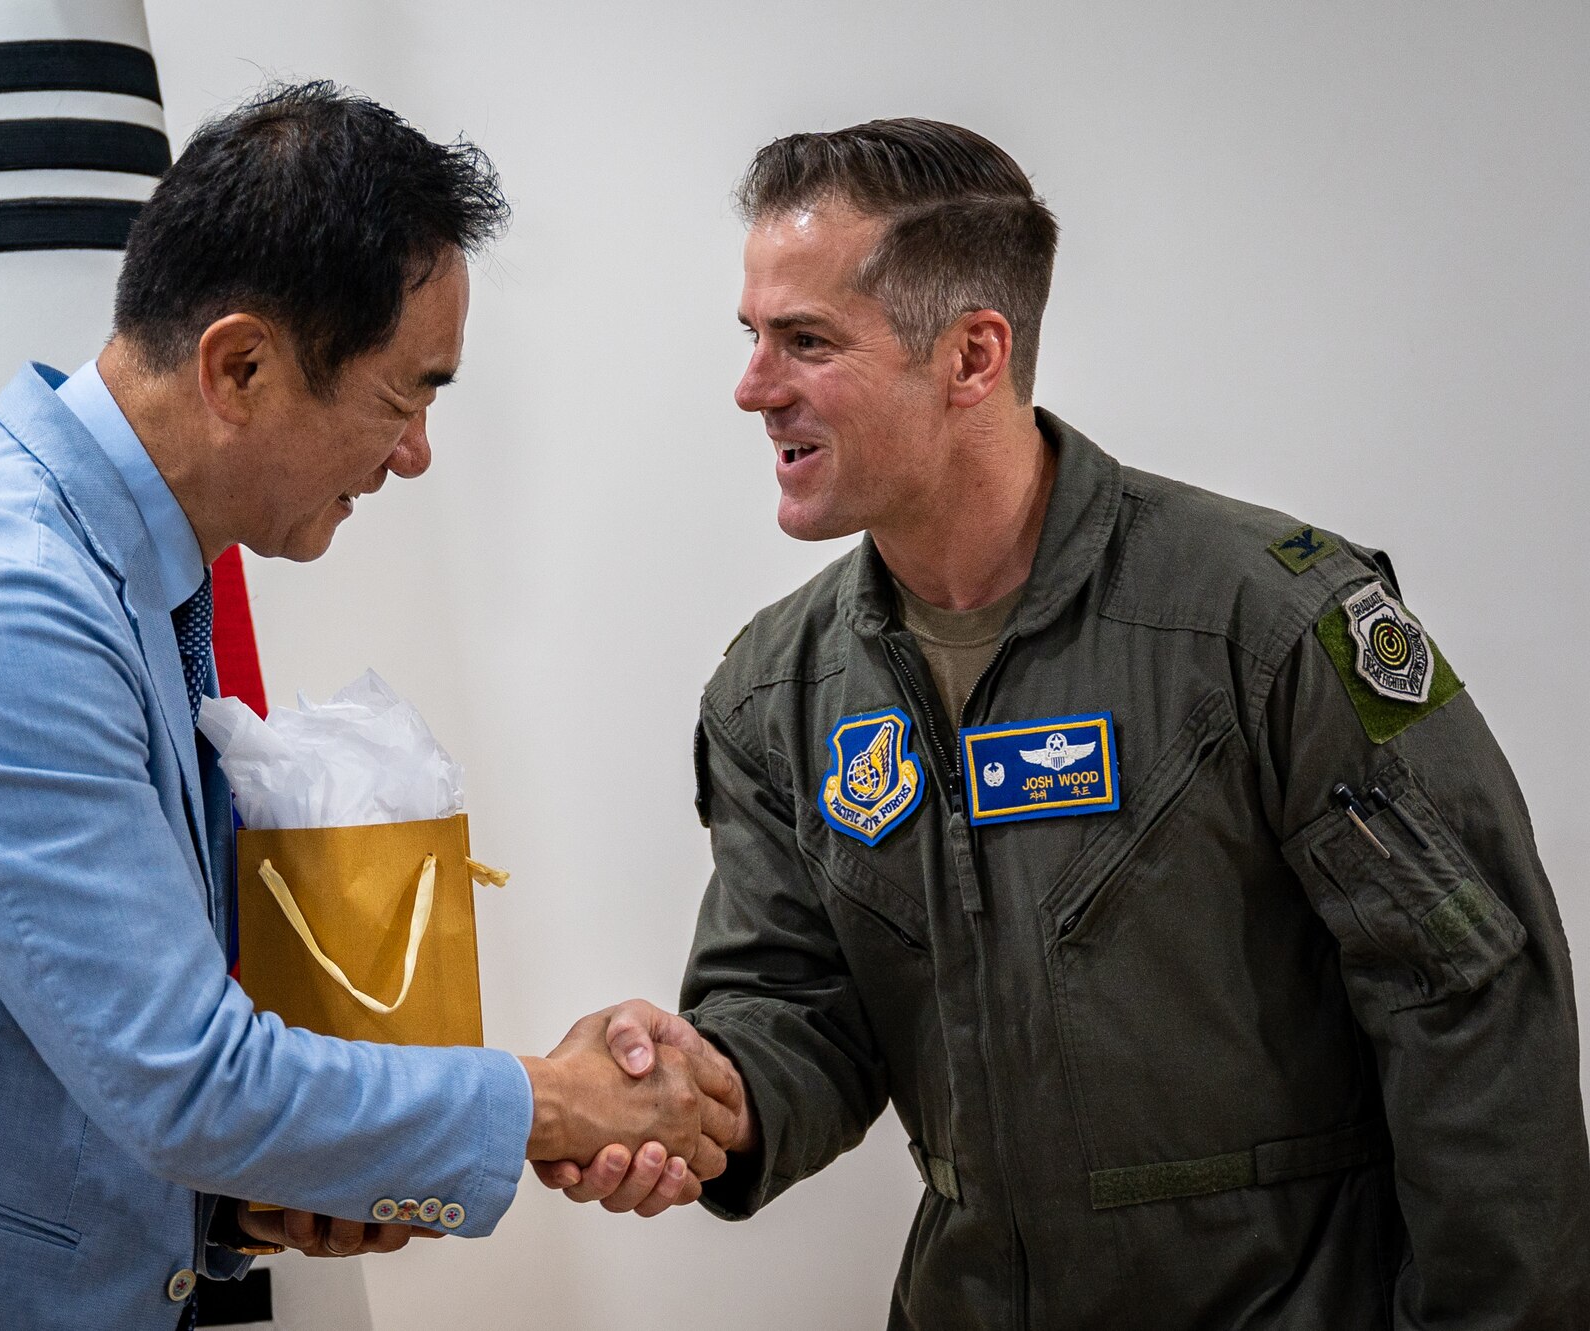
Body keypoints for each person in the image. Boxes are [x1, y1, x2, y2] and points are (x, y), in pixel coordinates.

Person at [0, 83, 742, 1331]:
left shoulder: (120, 576)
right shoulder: (1, 608)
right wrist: (554, 1100)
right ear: (241, 364)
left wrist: (248, 1203)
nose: (416, 450)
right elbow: (189, 1076)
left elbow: (50, 1057)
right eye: (403, 394)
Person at [541, 119, 1590, 1327]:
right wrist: (693, 1089)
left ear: (972, 355)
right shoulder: (774, 688)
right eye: (752, 337)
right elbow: (797, 1011)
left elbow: (1468, 1004)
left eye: (806, 341)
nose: (750, 385)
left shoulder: (1270, 622)